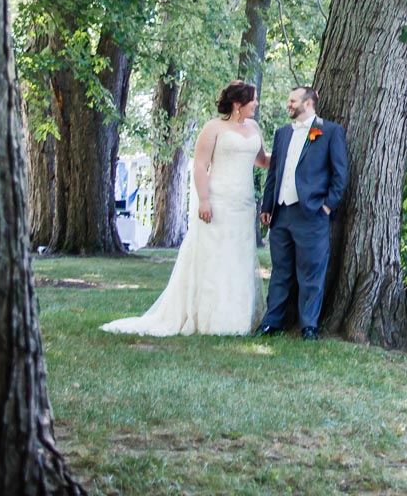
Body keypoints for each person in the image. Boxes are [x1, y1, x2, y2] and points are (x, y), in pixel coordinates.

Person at [101, 80, 269, 337]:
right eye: (252, 99)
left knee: (240, 256)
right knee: (217, 256)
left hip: (244, 203)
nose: (256, 104)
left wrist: (292, 155)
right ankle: (212, 317)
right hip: (218, 199)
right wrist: (204, 200)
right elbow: (200, 166)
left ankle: (239, 316)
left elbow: (263, 160)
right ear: (238, 103)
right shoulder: (213, 128)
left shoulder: (254, 128)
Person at [257, 85, 349, 340]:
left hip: (312, 213)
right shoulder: (283, 133)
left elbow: (340, 174)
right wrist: (267, 205)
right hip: (281, 213)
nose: (288, 104)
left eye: (293, 100)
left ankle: (309, 326)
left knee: (311, 272)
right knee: (280, 271)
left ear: (308, 103)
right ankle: (271, 322)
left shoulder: (330, 131)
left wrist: (327, 206)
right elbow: (274, 172)